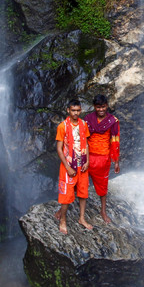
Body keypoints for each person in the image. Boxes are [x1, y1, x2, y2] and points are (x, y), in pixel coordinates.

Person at [54, 99, 91, 234]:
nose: (76, 113)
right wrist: (67, 167)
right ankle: (63, 220)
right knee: (66, 195)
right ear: (68, 110)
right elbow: (59, 148)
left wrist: (87, 161)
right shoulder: (62, 126)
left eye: (78, 110)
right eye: (73, 110)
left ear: (81, 110)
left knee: (83, 192)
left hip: (82, 165)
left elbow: (86, 143)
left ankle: (81, 218)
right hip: (68, 166)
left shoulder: (83, 124)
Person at [84, 94, 120, 224]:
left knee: (102, 186)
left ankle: (103, 211)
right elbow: (83, 139)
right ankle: (64, 207)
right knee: (77, 181)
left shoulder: (113, 121)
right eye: (98, 107)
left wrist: (116, 161)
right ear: (94, 107)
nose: (101, 110)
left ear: (107, 106)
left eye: (103, 107)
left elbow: (115, 141)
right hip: (87, 157)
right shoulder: (88, 119)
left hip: (103, 158)